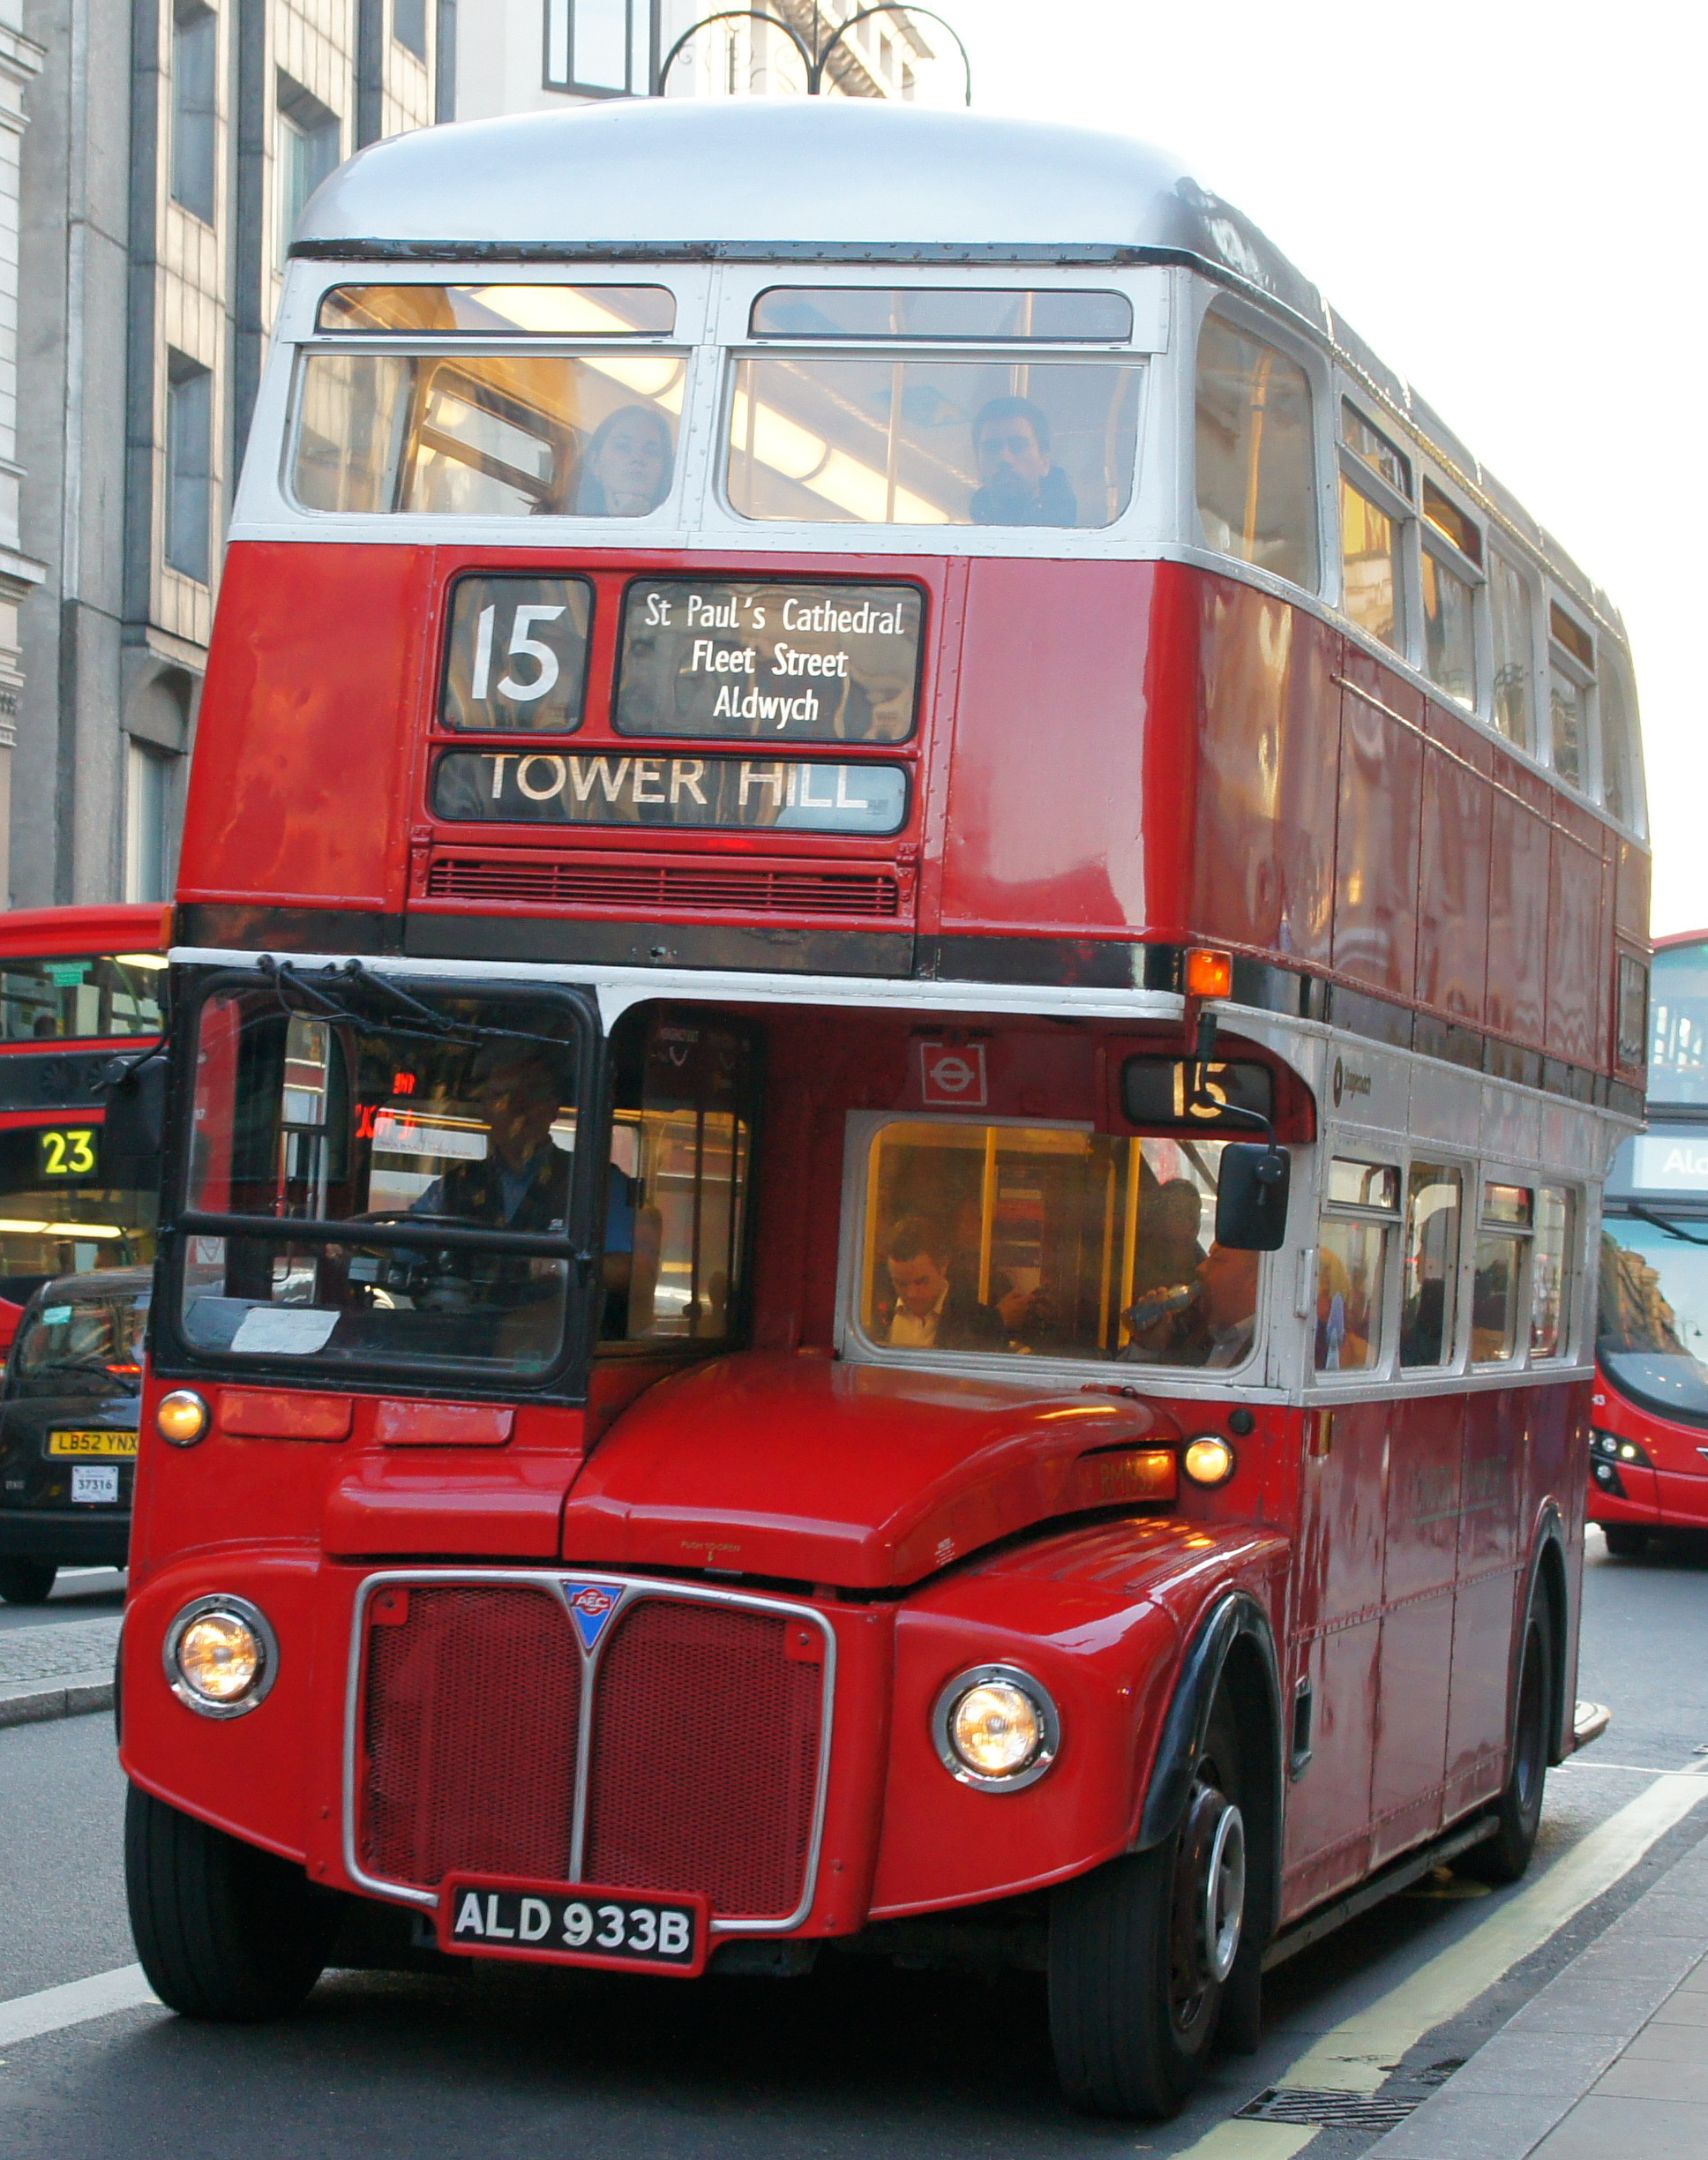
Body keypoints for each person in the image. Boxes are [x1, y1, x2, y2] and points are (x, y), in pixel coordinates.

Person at [880, 1218, 1005, 1351]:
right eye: (901, 1283)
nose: (911, 1294)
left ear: (943, 1266)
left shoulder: (980, 1322)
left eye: (921, 1282)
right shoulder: (873, 1311)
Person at [970, 396, 1078, 527]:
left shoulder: (1089, 536)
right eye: (992, 448)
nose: (1005, 458)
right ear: (977, 462)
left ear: (1044, 462)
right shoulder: (957, 540)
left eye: (1018, 446)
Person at [574, 403, 673, 517]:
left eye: (651, 452)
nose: (638, 458)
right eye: (623, 447)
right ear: (595, 462)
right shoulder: (564, 523)